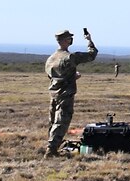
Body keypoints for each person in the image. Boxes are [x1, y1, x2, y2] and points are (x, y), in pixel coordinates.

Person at [42, 27, 98, 157]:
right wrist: (89, 40)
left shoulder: (51, 59)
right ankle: (51, 149)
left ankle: (52, 145)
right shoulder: (70, 57)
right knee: (61, 121)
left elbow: (53, 77)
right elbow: (91, 55)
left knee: (53, 121)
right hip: (65, 93)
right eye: (69, 38)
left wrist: (71, 76)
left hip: (54, 92)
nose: (71, 40)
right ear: (65, 40)